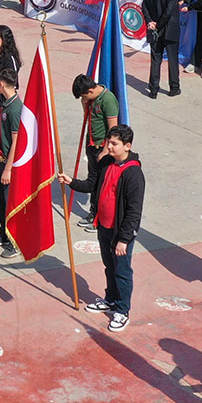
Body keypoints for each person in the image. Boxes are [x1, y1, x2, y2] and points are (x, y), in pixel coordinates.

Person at [61, 123, 143, 332]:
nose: (109, 147)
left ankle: (122, 310)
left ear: (127, 146)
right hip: (103, 226)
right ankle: (111, 299)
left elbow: (134, 212)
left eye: (114, 144)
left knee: (122, 271)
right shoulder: (106, 162)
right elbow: (92, 185)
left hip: (119, 232)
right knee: (109, 266)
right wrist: (72, 182)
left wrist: (124, 239)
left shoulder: (133, 174)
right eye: (109, 143)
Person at [72, 73, 120, 230]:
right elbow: (88, 117)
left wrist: (106, 150)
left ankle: (99, 219)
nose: (83, 98)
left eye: (83, 96)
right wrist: (84, 104)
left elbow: (113, 129)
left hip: (102, 148)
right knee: (94, 181)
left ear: (90, 91)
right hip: (92, 145)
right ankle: (93, 213)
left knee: (100, 184)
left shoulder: (108, 100)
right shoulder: (91, 100)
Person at [0, 67, 22, 258]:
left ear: (2, 83)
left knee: (9, 203)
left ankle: (15, 241)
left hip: (9, 164)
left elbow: (16, 140)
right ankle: (4, 233)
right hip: (0, 160)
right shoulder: (6, 105)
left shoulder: (15, 109)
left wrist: (8, 169)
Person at [142, 0, 183, 97]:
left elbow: (144, 6)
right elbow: (168, 12)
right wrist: (158, 24)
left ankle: (153, 89)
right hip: (169, 30)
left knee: (156, 59)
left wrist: (150, 22)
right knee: (172, 59)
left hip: (154, 29)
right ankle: (174, 87)